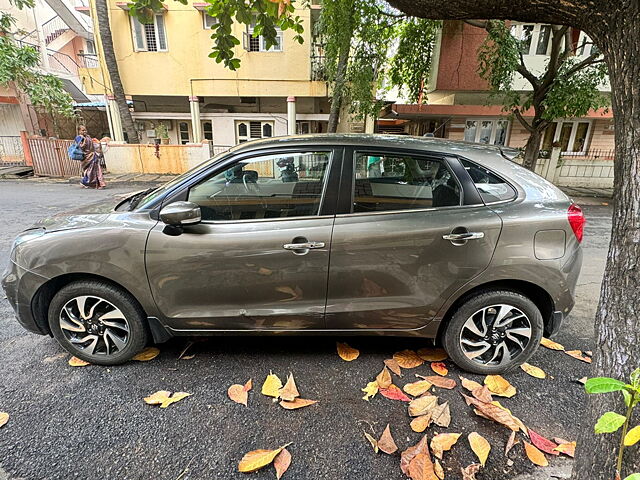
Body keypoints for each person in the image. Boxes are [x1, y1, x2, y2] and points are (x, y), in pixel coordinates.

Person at [75, 125, 105, 189]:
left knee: (97, 169)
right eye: (83, 130)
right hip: (85, 157)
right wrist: (83, 140)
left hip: (93, 155)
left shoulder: (88, 137)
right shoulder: (78, 138)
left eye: (85, 130)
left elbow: (92, 146)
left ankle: (100, 183)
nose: (85, 131)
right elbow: (81, 147)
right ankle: (89, 183)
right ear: (79, 131)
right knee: (89, 171)